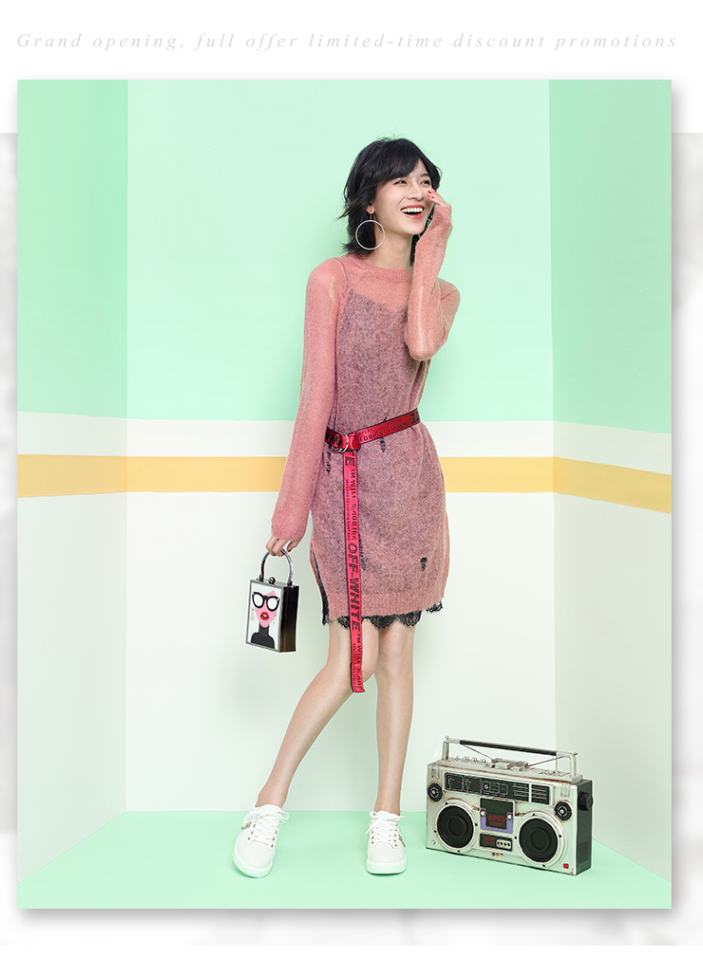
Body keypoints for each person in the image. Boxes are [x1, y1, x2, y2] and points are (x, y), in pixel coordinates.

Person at [233, 137, 460, 878]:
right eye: (400, 181)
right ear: (368, 199)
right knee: (345, 657)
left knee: (397, 654)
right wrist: (288, 517)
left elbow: (420, 340)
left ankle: (386, 818)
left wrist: (431, 251)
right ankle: (268, 805)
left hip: (410, 486)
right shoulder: (331, 279)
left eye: (426, 181)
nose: (416, 191)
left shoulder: (441, 294)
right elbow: (314, 401)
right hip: (344, 481)